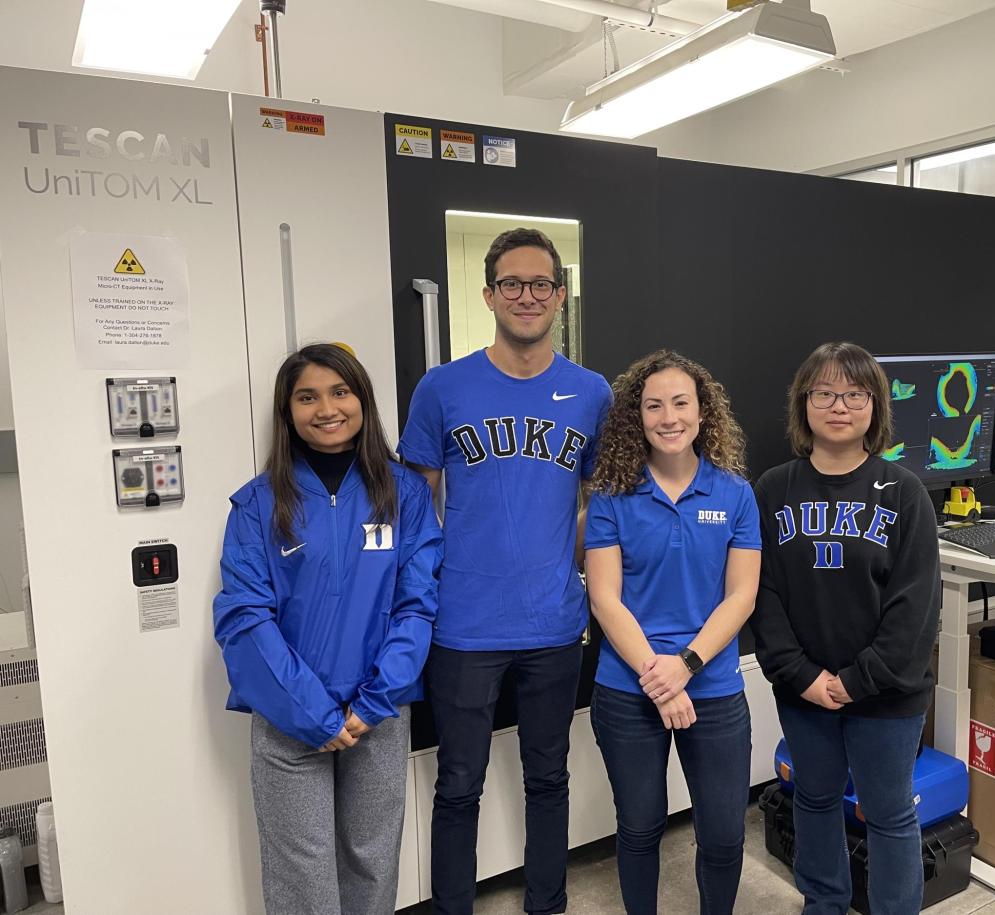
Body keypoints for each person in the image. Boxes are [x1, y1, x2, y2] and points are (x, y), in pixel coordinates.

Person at [399, 228, 612, 915]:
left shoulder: (591, 393)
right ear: (489, 294)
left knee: (548, 776)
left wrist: (567, 566)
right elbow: (413, 504)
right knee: (458, 784)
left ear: (559, 296)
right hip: (462, 627)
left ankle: (546, 904)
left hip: (553, 623)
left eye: (541, 284)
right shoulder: (442, 388)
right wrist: (430, 590)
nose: (527, 296)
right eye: (512, 283)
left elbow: (596, 501)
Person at [213, 343, 442, 915]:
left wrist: (374, 700)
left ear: (362, 399)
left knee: (373, 861)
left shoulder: (404, 494)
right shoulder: (258, 504)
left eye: (340, 392)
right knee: (302, 876)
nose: (326, 408)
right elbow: (244, 619)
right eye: (307, 396)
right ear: (287, 411)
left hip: (377, 714)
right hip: (289, 719)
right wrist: (311, 713)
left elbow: (418, 604)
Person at [751, 341, 941, 915]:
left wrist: (855, 682)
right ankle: (824, 905)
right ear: (803, 404)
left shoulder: (904, 492)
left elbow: (916, 609)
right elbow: (762, 595)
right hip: (803, 690)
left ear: (875, 406)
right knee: (813, 799)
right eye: (825, 393)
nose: (839, 405)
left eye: (854, 393)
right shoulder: (773, 489)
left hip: (887, 694)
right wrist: (803, 676)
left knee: (888, 814)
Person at [584, 350, 761, 915]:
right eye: (653, 405)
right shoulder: (611, 497)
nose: (668, 416)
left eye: (680, 402)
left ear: (702, 412)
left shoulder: (735, 494)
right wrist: (657, 677)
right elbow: (604, 598)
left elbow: (742, 596)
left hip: (711, 685)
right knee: (638, 828)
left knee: (724, 835)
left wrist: (682, 666)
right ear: (636, 417)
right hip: (627, 688)